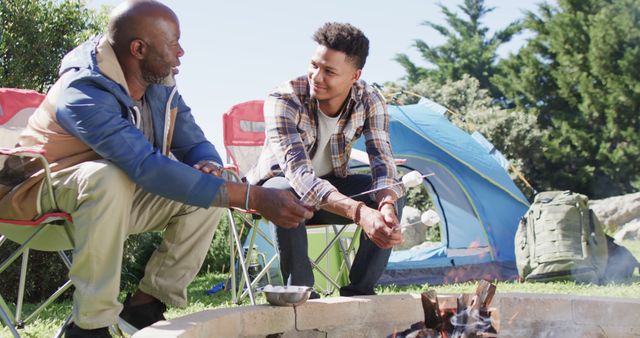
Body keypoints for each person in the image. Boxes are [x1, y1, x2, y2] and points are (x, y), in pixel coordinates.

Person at [0, 1, 313, 337]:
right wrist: (252, 196)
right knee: (108, 176)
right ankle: (89, 326)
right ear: (139, 49)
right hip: (33, 198)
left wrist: (207, 163)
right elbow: (144, 166)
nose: (182, 52)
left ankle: (145, 306)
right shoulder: (81, 91)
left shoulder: (160, 85)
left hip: (108, 201)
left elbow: (194, 142)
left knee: (214, 187)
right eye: (173, 42)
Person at [245, 22, 405, 297]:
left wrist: (386, 203)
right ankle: (303, 294)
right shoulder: (284, 98)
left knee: (395, 193)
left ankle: (359, 292)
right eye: (314, 65)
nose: (316, 76)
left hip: (333, 189)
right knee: (286, 192)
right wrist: (360, 213)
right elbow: (301, 178)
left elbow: (382, 161)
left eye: (329, 71)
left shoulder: (370, 99)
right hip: (280, 191)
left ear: (355, 75)